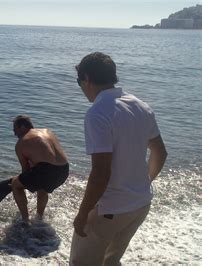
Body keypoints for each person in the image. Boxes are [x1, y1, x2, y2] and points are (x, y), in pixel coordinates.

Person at [70, 52, 168, 265]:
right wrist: (144, 182)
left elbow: (101, 173)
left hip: (111, 210)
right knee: (110, 261)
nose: (81, 88)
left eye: (80, 82)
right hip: (140, 204)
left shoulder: (98, 113)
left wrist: (82, 214)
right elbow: (160, 153)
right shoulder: (141, 106)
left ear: (86, 78)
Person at [11, 115, 69, 225]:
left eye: (15, 130)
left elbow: (26, 170)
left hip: (46, 171)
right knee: (42, 188)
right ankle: (39, 217)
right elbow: (50, 156)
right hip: (64, 170)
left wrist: (22, 182)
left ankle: (25, 220)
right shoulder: (48, 132)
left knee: (15, 184)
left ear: (22, 127)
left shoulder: (21, 143)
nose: (15, 134)